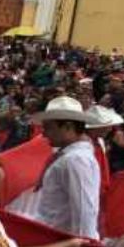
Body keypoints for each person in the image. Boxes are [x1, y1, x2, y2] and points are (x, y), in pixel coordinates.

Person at [32, 96, 101, 239]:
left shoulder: (75, 160)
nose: (44, 133)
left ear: (68, 127)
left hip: (60, 241)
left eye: (49, 128)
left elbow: (84, 210)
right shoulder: (71, 157)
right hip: (55, 238)